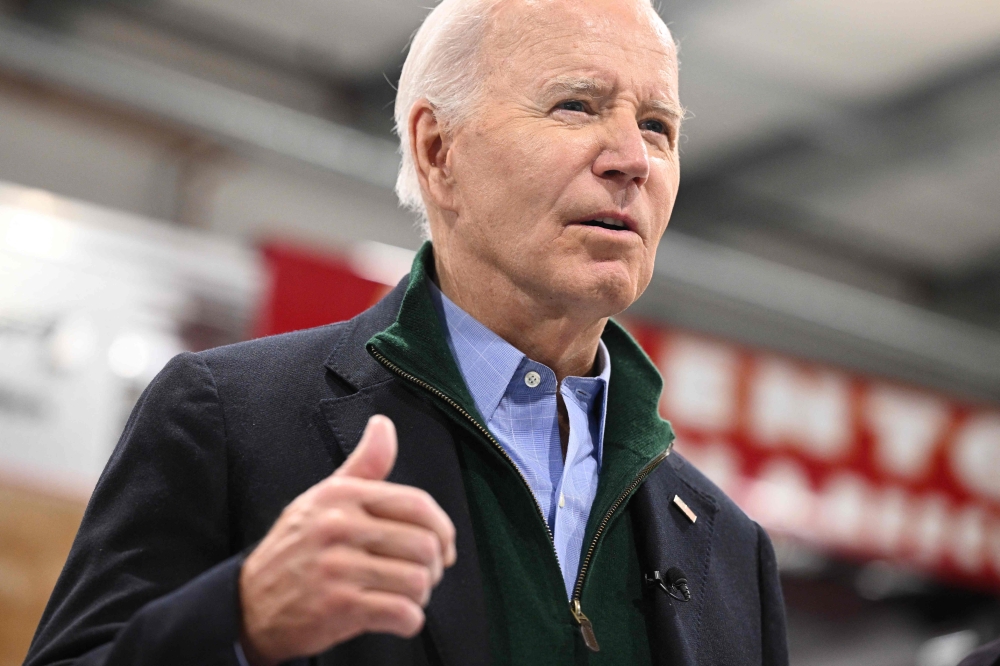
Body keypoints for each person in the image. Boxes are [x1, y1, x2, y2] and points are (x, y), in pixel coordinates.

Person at [25, 0, 789, 664]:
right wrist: (240, 624)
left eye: (658, 126)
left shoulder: (730, 549)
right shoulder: (229, 417)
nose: (632, 160)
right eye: (576, 106)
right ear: (438, 151)